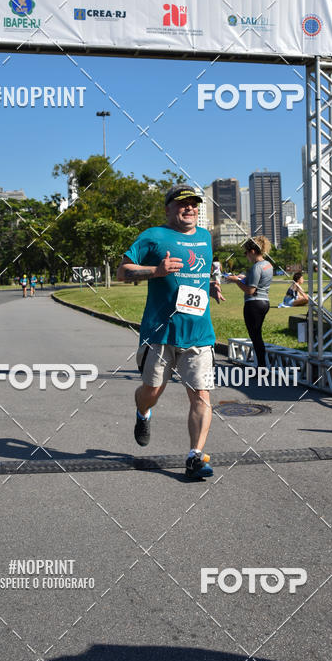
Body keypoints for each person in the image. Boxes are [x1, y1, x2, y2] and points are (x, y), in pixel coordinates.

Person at [116, 185, 225, 480]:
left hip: (199, 332)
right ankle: (143, 413)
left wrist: (211, 285)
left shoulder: (204, 237)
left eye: (193, 204)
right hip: (160, 333)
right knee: (152, 392)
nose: (189, 208)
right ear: (167, 209)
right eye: (181, 204)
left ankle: (195, 456)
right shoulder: (153, 236)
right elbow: (122, 272)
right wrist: (156, 271)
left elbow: (201, 272)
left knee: (201, 396)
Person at [225, 236, 273, 370]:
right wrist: (245, 278)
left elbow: (250, 290)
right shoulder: (267, 265)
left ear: (252, 251)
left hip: (253, 304)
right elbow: (260, 282)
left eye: (246, 253)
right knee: (258, 335)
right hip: (265, 302)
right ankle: (262, 365)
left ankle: (262, 367)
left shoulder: (256, 267)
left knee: (256, 337)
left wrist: (236, 280)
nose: (246, 256)